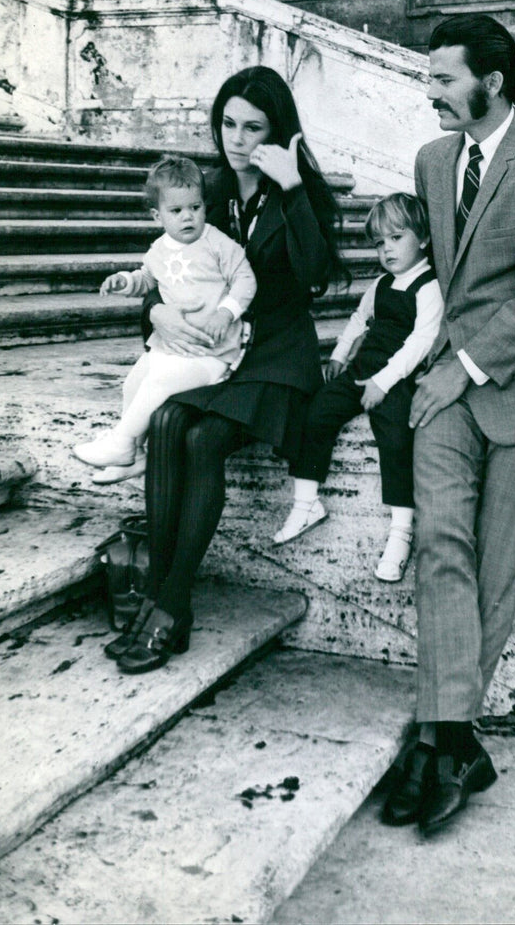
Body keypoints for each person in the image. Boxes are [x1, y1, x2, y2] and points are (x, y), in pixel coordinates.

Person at [381, 14, 515, 834]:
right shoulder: (434, 161)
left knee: (498, 568)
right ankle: (453, 740)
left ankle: (444, 739)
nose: (427, 90)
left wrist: (466, 369)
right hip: (449, 385)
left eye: (441, 78)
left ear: (491, 83)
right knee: (442, 543)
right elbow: (434, 270)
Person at [106, 66, 348, 675]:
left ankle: (170, 604)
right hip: (211, 351)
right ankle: (163, 597)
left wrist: (292, 190)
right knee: (164, 422)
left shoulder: (299, 189)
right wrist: (156, 312)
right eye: (228, 124)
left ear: (279, 131)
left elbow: (317, 275)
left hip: (275, 355)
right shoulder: (204, 188)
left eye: (254, 127)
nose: (237, 139)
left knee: (204, 437)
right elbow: (168, 268)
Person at [273, 192, 444, 582]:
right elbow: (359, 318)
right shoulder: (382, 284)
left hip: (398, 379)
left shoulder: (428, 287)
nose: (386, 250)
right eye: (379, 243)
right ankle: (306, 501)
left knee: (397, 437)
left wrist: (382, 384)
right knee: (317, 410)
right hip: (363, 370)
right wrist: (339, 354)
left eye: (396, 239)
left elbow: (421, 341)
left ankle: (401, 530)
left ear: (423, 239)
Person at [73, 155, 256, 481]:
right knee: (134, 381)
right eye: (177, 211)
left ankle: (122, 442)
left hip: (210, 352)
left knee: (159, 382)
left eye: (195, 207)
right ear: (158, 215)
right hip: (171, 347)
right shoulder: (158, 249)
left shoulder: (217, 243)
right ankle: (135, 455)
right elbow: (148, 279)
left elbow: (246, 280)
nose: (189, 217)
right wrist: (126, 281)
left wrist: (225, 313)